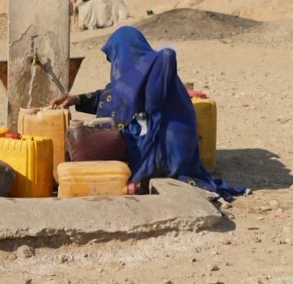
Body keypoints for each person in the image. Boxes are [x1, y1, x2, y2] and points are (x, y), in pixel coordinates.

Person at [49, 26, 243, 199]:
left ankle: (144, 174)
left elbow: (167, 56)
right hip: (174, 149)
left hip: (170, 152)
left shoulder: (155, 69)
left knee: (122, 138)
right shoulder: (135, 76)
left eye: (115, 58)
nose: (115, 65)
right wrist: (74, 99)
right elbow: (108, 96)